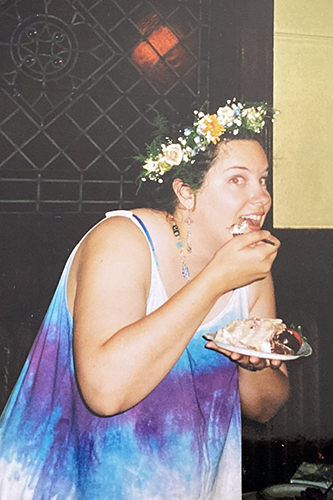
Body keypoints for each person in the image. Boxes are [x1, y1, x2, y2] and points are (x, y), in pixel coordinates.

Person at [0, 100, 289, 500]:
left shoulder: (250, 268)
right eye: (238, 180)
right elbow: (105, 392)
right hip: (66, 482)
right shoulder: (123, 240)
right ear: (186, 192)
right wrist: (214, 280)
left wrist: (252, 365)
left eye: (264, 180)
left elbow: (265, 407)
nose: (261, 198)